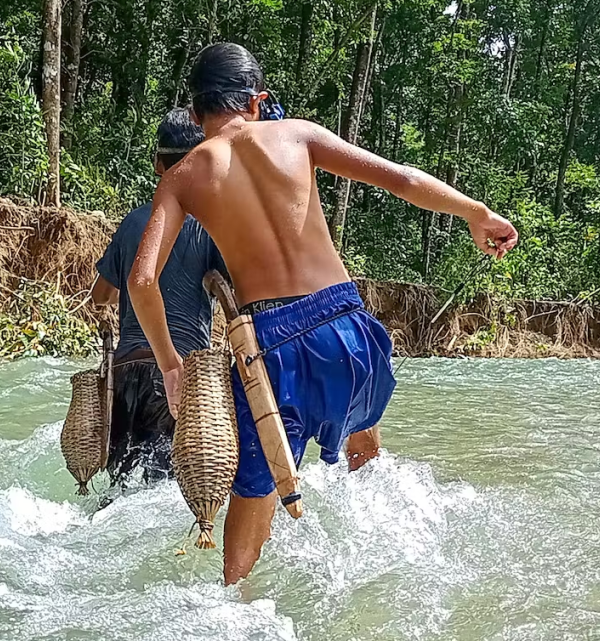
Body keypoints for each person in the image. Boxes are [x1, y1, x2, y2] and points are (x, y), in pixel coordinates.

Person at [127, 43, 519, 584]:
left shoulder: (183, 176)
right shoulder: (298, 135)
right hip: (347, 325)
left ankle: (236, 594)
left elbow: (142, 280)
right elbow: (403, 180)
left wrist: (172, 365)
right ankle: (386, 560)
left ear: (195, 115)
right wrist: (477, 212)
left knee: (256, 486)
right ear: (258, 101)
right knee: (362, 433)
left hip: (271, 347)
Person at [90, 108, 228, 490]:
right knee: (166, 490)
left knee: (121, 487)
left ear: (157, 164)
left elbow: (100, 295)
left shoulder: (134, 223)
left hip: (125, 374)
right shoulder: (210, 227)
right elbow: (233, 293)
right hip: (181, 376)